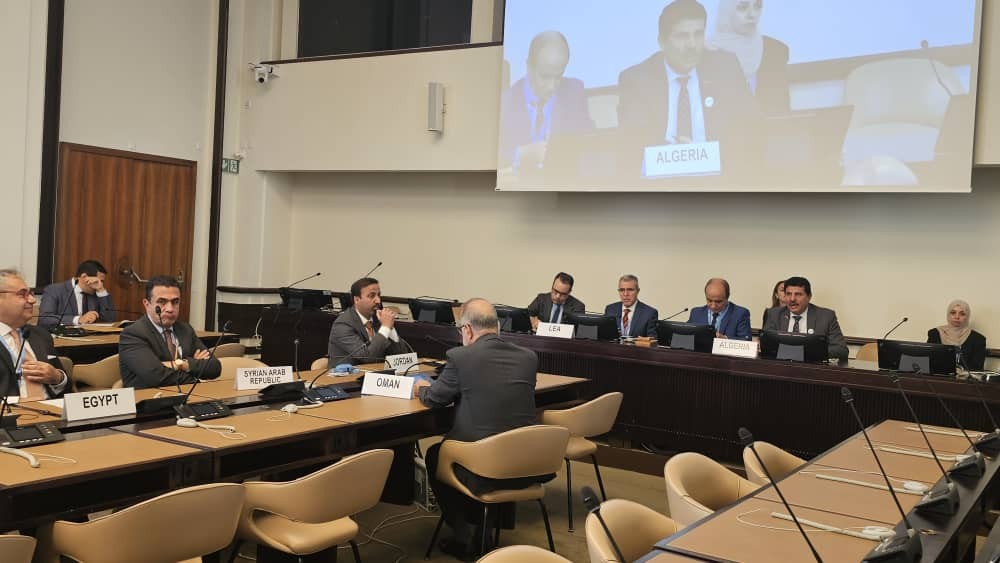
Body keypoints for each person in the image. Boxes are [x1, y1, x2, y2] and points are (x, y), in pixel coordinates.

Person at [413, 298, 545, 558]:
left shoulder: (460, 357)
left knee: (436, 455)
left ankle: (464, 535)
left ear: (467, 330)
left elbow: (435, 398)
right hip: (528, 465)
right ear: (497, 327)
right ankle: (483, 529)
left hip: (483, 469)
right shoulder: (529, 358)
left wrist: (421, 387)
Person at [617, 0, 757, 174]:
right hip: (662, 181)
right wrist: (678, 156)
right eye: (682, 36)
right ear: (662, 42)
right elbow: (633, 145)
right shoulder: (637, 81)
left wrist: (706, 159)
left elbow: (750, 129)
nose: (692, 44)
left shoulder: (725, 69)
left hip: (718, 179)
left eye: (698, 34)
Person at [498, 31, 594, 170]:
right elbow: (487, 152)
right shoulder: (506, 101)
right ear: (528, 66)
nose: (551, 86)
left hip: (561, 179)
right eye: (545, 76)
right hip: (519, 181)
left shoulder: (574, 91)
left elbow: (588, 141)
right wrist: (522, 154)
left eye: (558, 76)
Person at [119, 275, 221, 388]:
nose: (170, 309)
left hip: (188, 394)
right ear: (147, 304)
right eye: (162, 302)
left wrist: (181, 364)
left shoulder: (185, 330)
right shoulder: (133, 334)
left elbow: (214, 367)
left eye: (175, 302)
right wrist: (194, 372)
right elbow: (156, 376)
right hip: (149, 397)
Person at [708, 0, 790, 114]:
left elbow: (781, 110)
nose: (752, 14)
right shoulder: (709, 54)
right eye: (742, 7)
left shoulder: (775, 51)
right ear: (727, 10)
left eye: (757, 6)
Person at [0, 269, 70, 400]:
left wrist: (57, 378)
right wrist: (17, 403)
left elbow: (67, 389)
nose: (32, 300)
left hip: (51, 409)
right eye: (23, 295)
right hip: (10, 411)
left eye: (31, 294)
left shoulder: (40, 335)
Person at [328, 277, 409, 365]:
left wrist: (391, 328)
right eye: (371, 296)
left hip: (377, 372)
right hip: (348, 373)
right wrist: (385, 327)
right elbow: (367, 357)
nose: (378, 301)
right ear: (357, 300)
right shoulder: (343, 325)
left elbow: (402, 356)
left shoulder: (378, 319)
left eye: (378, 295)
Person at [762, 276, 848, 360]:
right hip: (781, 366)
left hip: (812, 367)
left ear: (809, 297)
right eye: (788, 294)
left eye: (798, 294)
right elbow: (766, 346)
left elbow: (841, 349)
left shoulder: (826, 316)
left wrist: (804, 353)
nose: (792, 299)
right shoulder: (774, 314)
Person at [38, 259, 116, 330]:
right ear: (84, 277)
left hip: (90, 338)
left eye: (102, 282)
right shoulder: (54, 290)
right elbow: (44, 319)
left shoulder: (97, 293)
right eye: (98, 281)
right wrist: (78, 319)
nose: (100, 285)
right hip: (61, 337)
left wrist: (101, 291)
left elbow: (110, 320)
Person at [927, 300, 986, 371]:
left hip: (964, 377)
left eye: (962, 314)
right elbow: (928, 361)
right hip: (937, 376)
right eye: (953, 313)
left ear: (967, 317)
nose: (957, 317)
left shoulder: (978, 339)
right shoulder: (935, 333)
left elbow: (977, 368)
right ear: (948, 315)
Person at [687, 278, 751, 340]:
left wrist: (725, 339)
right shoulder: (696, 313)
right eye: (709, 300)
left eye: (718, 302)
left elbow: (746, 340)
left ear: (727, 297)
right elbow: (686, 335)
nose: (713, 306)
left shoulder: (740, 314)